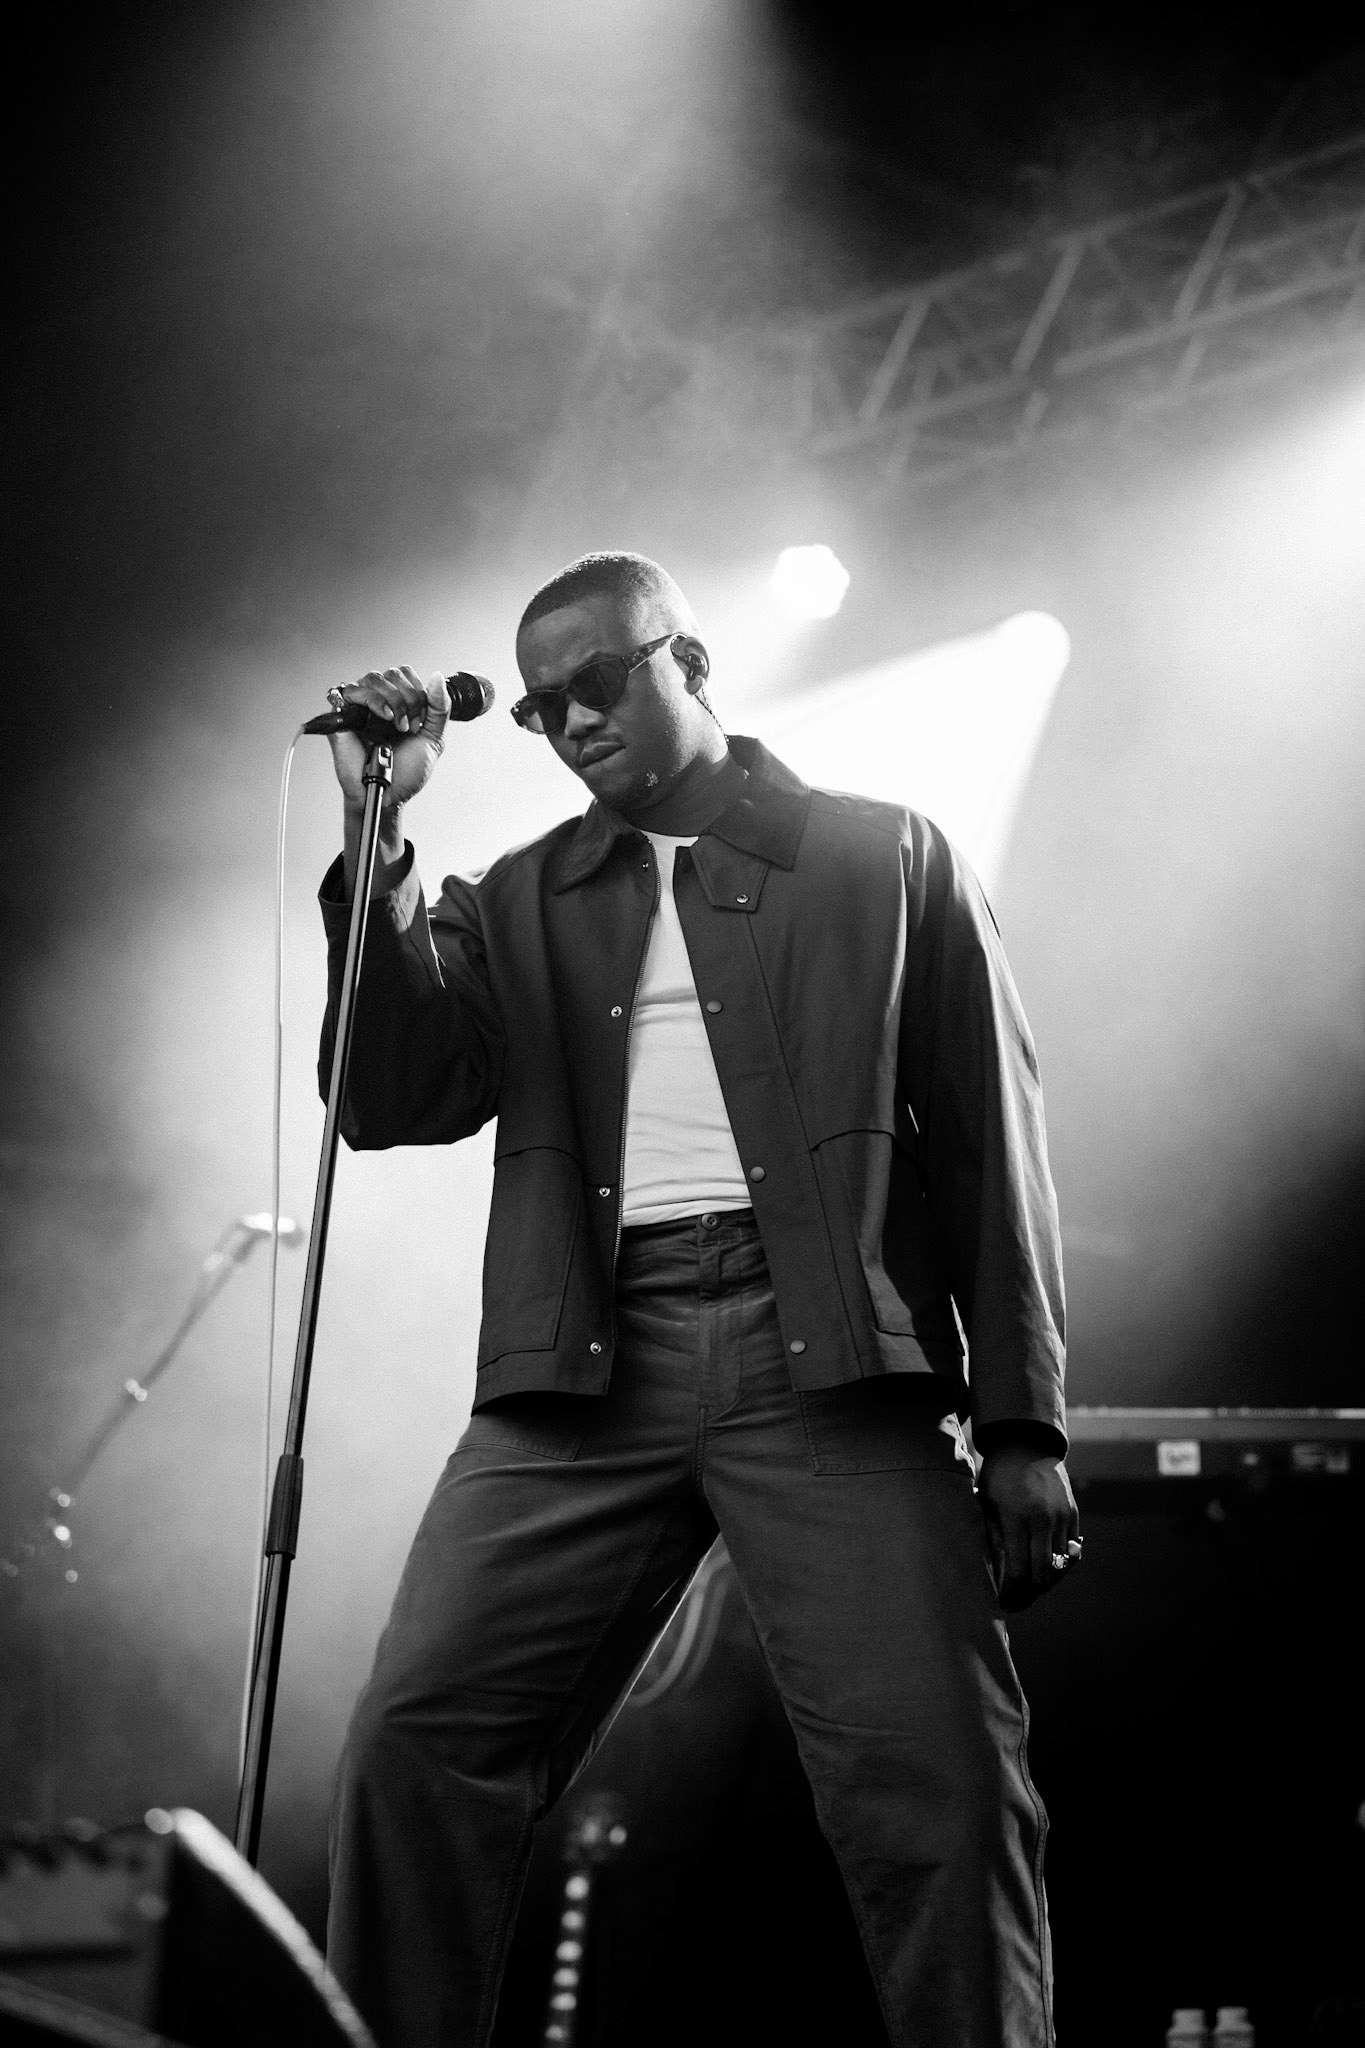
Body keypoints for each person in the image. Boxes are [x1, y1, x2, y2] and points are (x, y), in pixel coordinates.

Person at [318, 550, 1079, 2048]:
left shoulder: (884, 855)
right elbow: (391, 1096)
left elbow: (992, 1144)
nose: (572, 720)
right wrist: (377, 833)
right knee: (415, 1745)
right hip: (583, 1366)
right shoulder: (517, 896)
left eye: (599, 681)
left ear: (693, 660)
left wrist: (1023, 1422)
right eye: (539, 708)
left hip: (830, 1361)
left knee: (939, 1785)